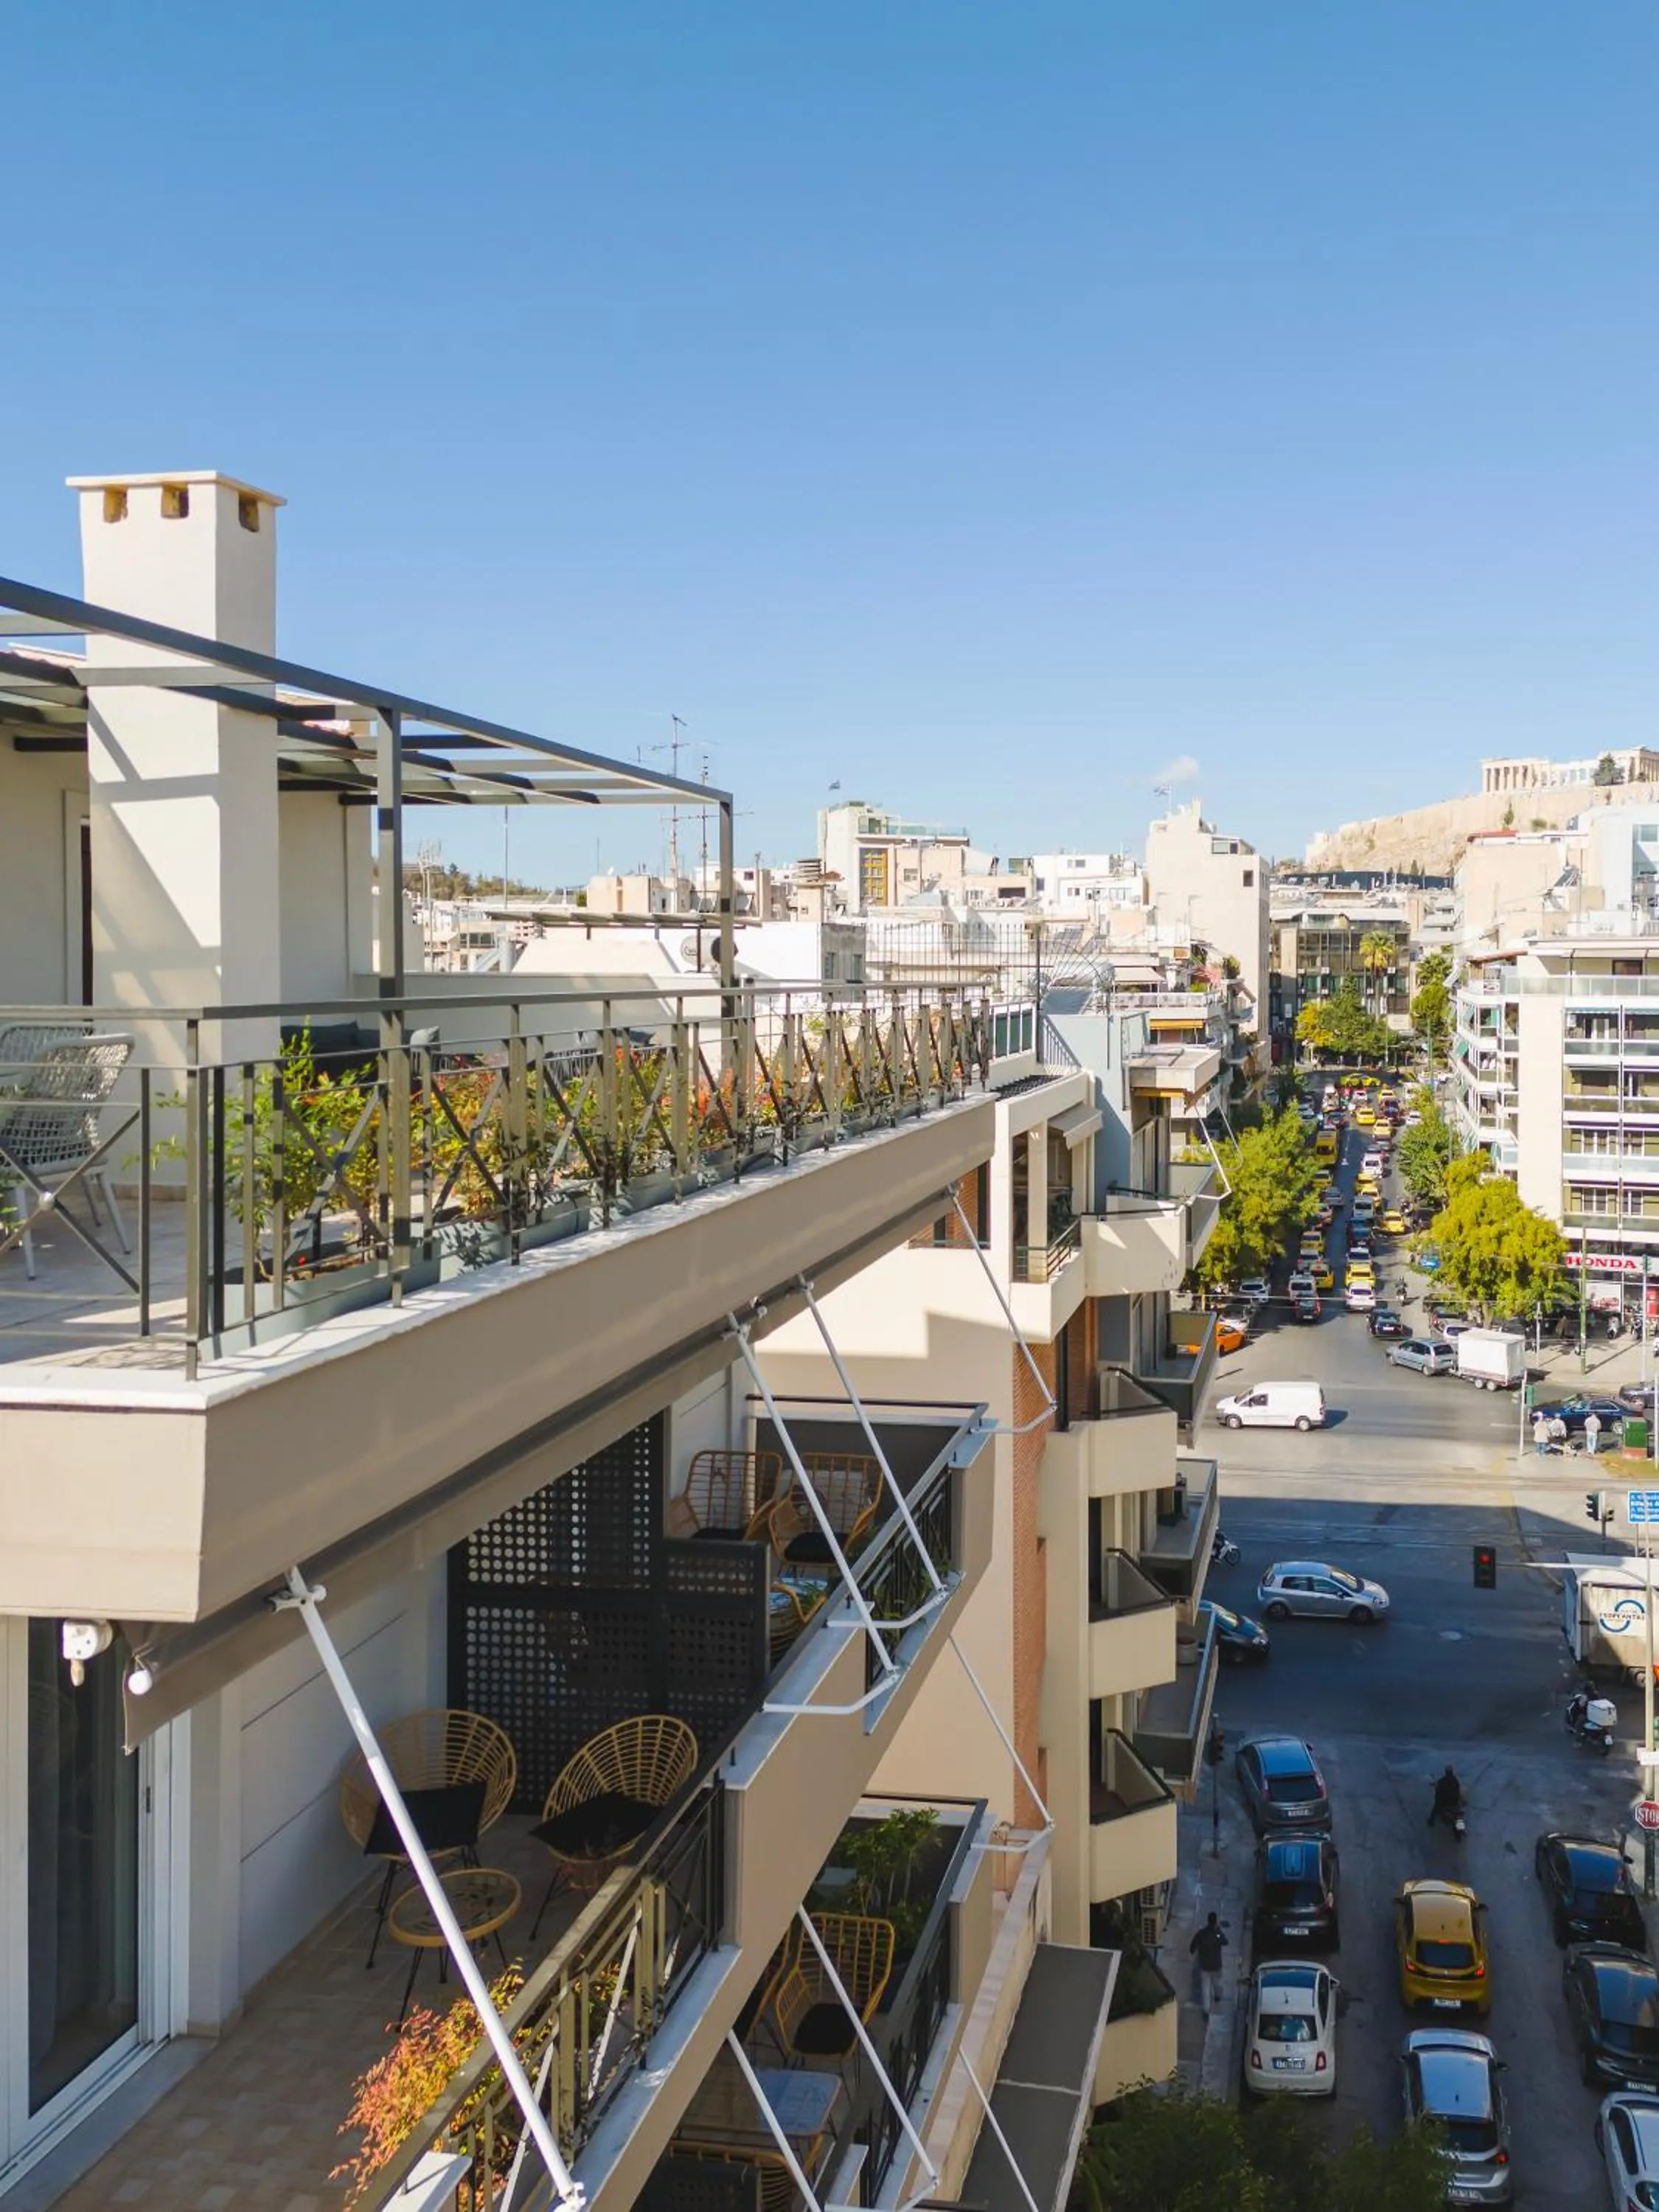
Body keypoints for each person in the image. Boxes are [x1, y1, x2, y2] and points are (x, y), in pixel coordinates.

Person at [1189, 1910, 1228, 2016]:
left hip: (1204, 1965)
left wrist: (1193, 1951)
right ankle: (1218, 1996)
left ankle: (1206, 2009)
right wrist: (1219, 1932)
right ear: (1215, 1922)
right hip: (1216, 1965)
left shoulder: (1201, 1934)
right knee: (1217, 1983)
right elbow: (1225, 1942)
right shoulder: (1217, 1934)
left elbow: (1193, 1946)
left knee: (1205, 1988)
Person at [1427, 1764, 1462, 1829]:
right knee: (1458, 1815)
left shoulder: (1443, 1780)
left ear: (1446, 1772)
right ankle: (1461, 1828)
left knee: (1436, 1807)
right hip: (1454, 1802)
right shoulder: (1455, 1780)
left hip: (1444, 1803)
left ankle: (1431, 1821)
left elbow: (1438, 1789)